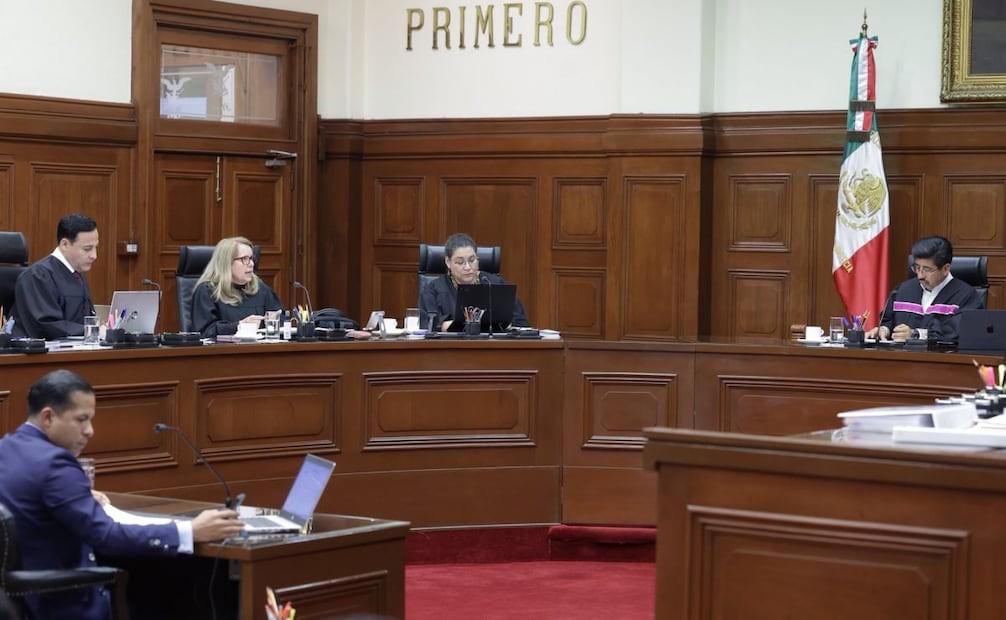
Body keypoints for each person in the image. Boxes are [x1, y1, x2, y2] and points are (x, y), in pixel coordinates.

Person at [0, 369, 245, 620]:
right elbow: (106, 536)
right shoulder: (55, 464)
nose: (90, 431)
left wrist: (76, 497)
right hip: (63, 605)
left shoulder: (7, 447)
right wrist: (189, 531)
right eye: (81, 419)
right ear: (48, 417)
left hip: (20, 602)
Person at [867, 235, 983, 342]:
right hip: (901, 359)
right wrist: (884, 330)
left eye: (927, 270)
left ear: (946, 269)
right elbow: (888, 320)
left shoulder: (966, 296)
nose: (920, 276)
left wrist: (916, 334)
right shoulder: (902, 290)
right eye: (917, 268)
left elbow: (959, 332)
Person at [11, 213, 98, 339]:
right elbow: (46, 326)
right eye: (87, 249)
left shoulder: (77, 275)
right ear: (65, 245)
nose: (94, 255)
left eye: (96, 248)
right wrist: (91, 330)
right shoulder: (37, 276)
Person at [419, 232, 529, 331]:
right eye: (460, 262)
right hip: (451, 350)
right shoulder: (433, 290)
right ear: (448, 262)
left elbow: (521, 323)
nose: (467, 267)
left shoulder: (496, 284)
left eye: (472, 260)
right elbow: (428, 325)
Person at [190, 236, 284, 337]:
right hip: (224, 351)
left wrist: (276, 320)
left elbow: (282, 318)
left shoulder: (260, 289)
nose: (251, 264)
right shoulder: (207, 291)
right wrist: (239, 326)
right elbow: (205, 332)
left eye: (252, 258)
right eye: (244, 259)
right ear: (227, 263)